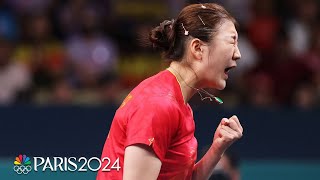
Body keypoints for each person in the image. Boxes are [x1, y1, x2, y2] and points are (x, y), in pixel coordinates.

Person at [97, 3, 243, 180]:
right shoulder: (158, 104)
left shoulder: (179, 104)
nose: (238, 54)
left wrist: (216, 149)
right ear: (198, 48)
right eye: (232, 41)